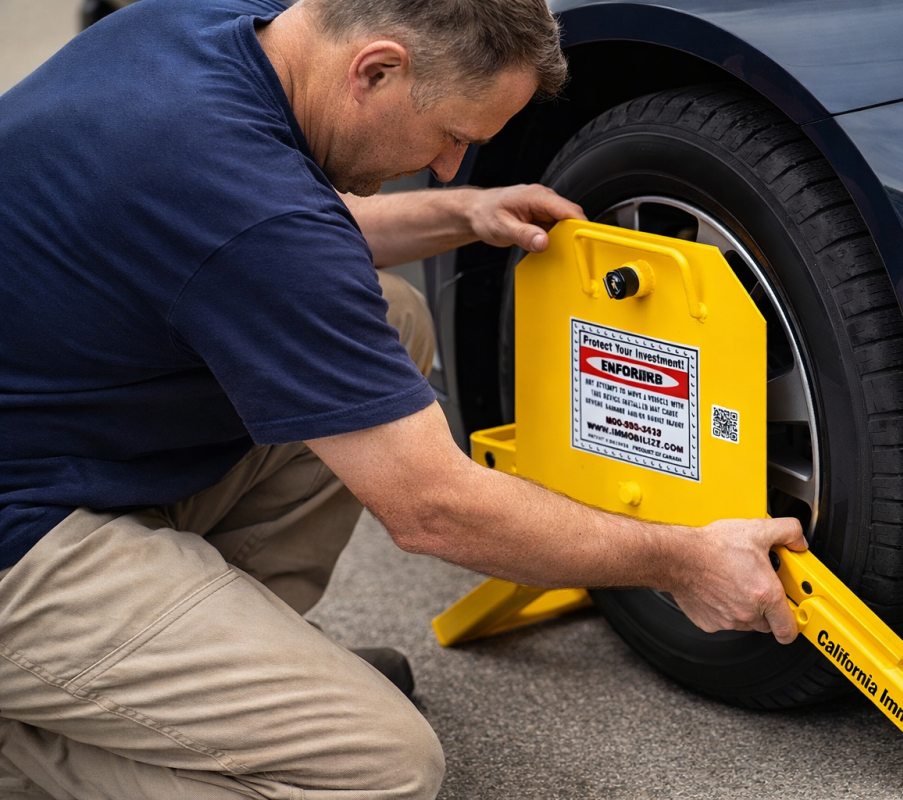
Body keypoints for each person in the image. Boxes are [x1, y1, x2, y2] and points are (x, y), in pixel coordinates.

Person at [0, 0, 807, 797]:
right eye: (454, 137)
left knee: (393, 317)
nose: (452, 165)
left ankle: (220, 673)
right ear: (376, 68)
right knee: (375, 768)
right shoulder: (240, 198)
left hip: (62, 442)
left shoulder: (224, 28)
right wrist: (682, 559)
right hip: (23, 535)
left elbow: (282, 240)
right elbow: (434, 508)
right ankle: (35, 741)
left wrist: (464, 214)